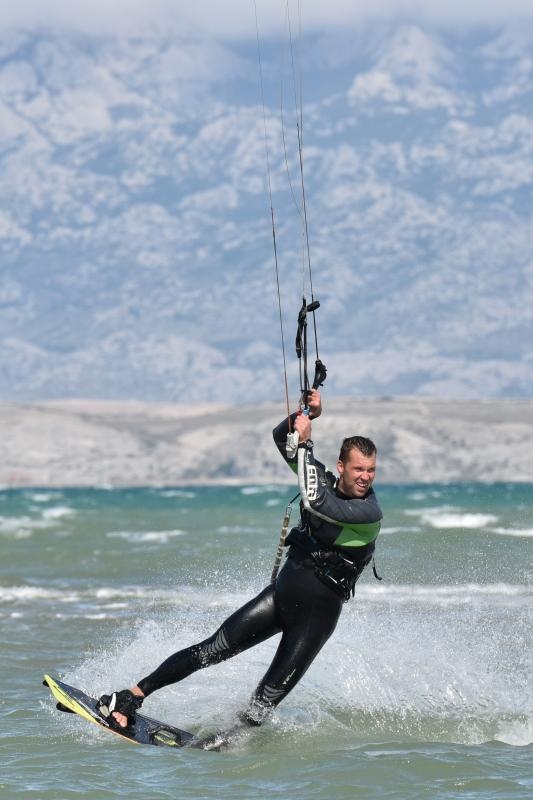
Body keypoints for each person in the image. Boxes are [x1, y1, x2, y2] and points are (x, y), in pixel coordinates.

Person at [98, 390, 382, 732]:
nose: (365, 476)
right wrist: (306, 414)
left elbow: (317, 503)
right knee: (207, 651)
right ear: (341, 467)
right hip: (280, 597)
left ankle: (226, 745)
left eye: (371, 470)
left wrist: (306, 447)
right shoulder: (320, 477)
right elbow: (281, 438)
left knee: (263, 702)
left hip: (314, 621)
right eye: (359, 469)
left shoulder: (368, 514)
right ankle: (131, 696)